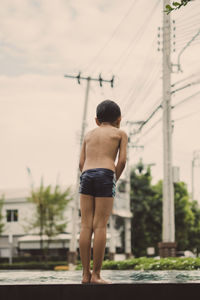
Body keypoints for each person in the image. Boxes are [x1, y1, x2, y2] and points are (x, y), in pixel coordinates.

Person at [78, 99, 128, 284]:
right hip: (106, 173)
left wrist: (88, 174)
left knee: (85, 225)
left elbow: (81, 163)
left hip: (87, 174)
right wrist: (112, 178)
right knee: (100, 225)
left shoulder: (88, 135)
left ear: (96, 120)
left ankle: (85, 275)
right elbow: (122, 161)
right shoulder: (120, 133)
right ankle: (96, 275)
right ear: (119, 119)